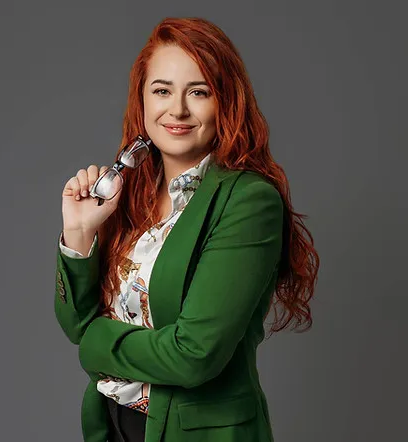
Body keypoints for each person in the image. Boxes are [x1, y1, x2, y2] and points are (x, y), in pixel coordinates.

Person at [54, 16, 320, 442]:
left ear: (225, 102)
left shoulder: (248, 202)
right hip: (115, 425)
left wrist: (95, 342)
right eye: (162, 91)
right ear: (142, 100)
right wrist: (80, 232)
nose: (177, 110)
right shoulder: (130, 193)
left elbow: (194, 355)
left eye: (199, 92)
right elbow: (76, 321)